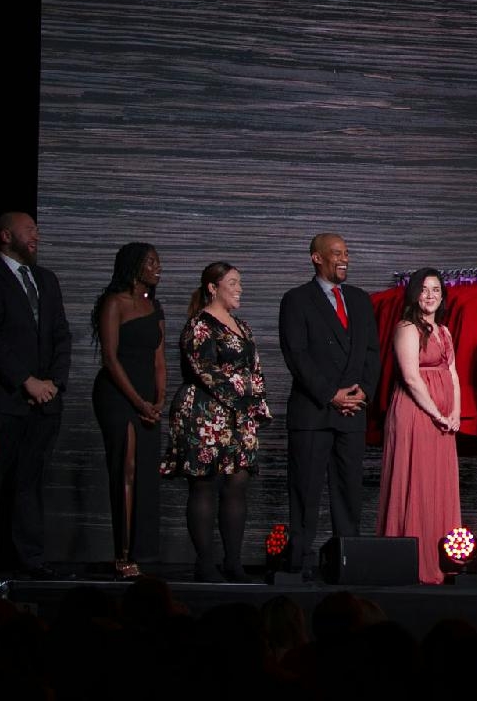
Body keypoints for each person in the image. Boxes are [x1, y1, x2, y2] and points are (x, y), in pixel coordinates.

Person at [0, 211, 73, 579]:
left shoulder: (46, 279)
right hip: (3, 399)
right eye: (29, 230)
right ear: (5, 235)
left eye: (37, 230)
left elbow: (61, 334)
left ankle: (29, 557)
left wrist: (54, 383)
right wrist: (26, 381)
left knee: (29, 481)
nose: (36, 236)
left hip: (44, 403)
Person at [162, 262, 272, 581]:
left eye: (240, 283)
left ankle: (233, 562)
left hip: (240, 417)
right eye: (233, 283)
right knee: (204, 483)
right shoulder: (200, 324)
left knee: (237, 484)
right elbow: (205, 370)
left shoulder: (243, 326)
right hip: (205, 413)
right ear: (213, 287)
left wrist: (252, 398)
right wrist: (242, 389)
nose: (240, 288)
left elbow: (256, 370)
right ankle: (205, 563)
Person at [278, 232, 381, 574]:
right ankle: (300, 564)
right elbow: (297, 354)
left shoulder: (360, 300)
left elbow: (371, 352)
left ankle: (346, 562)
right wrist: (331, 394)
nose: (344, 258)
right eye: (336, 253)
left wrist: (363, 391)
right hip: (313, 411)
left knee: (349, 492)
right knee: (305, 492)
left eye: (347, 253)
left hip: (352, 413)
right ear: (316, 258)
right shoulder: (296, 299)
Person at [377, 268, 462, 585]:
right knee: (415, 481)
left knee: (439, 484)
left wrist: (455, 411)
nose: (431, 295)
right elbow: (411, 377)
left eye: (436, 289)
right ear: (414, 294)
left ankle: (441, 561)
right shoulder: (406, 328)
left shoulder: (443, 330)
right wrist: (436, 413)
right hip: (415, 413)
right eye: (424, 289)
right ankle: (412, 562)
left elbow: (453, 373)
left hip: (442, 416)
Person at [90, 242, 166, 579]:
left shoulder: (154, 307)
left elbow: (159, 360)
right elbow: (110, 358)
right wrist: (138, 402)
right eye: (150, 262)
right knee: (126, 467)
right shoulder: (114, 303)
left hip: (148, 398)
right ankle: (122, 553)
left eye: (157, 262)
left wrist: (159, 400)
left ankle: (140, 549)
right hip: (117, 395)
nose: (157, 267)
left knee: (145, 471)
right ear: (134, 266)